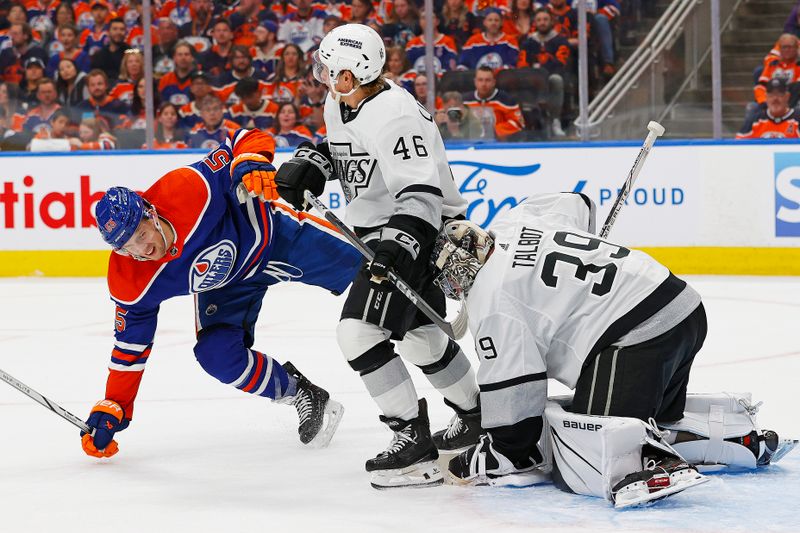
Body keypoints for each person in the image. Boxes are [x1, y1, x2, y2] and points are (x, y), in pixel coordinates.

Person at [431, 193, 793, 506]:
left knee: (592, 437)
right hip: (684, 309)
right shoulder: (516, 221)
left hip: (637, 336)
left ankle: (653, 462)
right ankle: (735, 440)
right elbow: (578, 203)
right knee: (655, 420)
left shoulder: (491, 300)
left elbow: (515, 402)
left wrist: (502, 453)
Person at [274, 24, 482, 490]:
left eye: (330, 69)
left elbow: (422, 194)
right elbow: (348, 147)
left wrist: (398, 247)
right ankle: (475, 416)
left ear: (351, 75)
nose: (323, 75)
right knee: (420, 336)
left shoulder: (395, 115)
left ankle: (413, 443)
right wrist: (314, 163)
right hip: (387, 232)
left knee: (358, 331)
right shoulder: (342, 101)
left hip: (418, 233)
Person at [81, 127, 360, 460]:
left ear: (150, 213)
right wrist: (116, 405)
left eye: (141, 234)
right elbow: (130, 348)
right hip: (226, 287)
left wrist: (251, 159)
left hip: (275, 241)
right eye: (128, 247)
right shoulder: (131, 278)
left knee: (375, 273)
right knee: (217, 355)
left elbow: (243, 136)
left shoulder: (186, 188)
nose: (143, 250)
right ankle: (302, 393)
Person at [518, 8, 570, 137]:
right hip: (531, 78)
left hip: (551, 77)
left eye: (545, 19)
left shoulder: (561, 40)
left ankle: (555, 120)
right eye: (539, 20)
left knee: (556, 79)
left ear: (551, 21)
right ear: (534, 23)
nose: (542, 23)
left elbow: (561, 62)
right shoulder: (528, 42)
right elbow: (523, 64)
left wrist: (541, 71)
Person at [463, 66, 524, 140]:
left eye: (487, 80)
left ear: (493, 82)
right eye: (480, 80)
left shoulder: (506, 100)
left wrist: (493, 131)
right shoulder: (465, 101)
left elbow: (519, 124)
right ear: (475, 82)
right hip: (468, 144)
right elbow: (456, 122)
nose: (484, 84)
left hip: (499, 145)